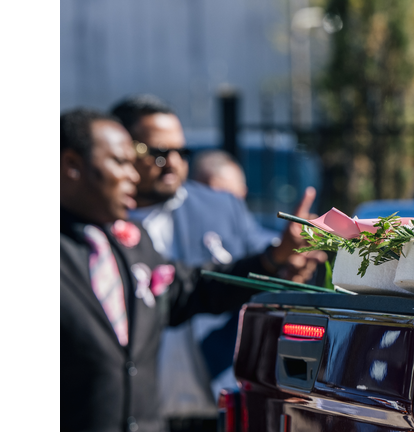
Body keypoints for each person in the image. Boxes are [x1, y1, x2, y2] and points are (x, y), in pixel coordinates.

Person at [61, 108, 320, 432]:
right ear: (71, 166)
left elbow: (194, 288)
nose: (133, 174)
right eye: (120, 162)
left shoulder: (129, 244)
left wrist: (272, 259)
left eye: (180, 152)